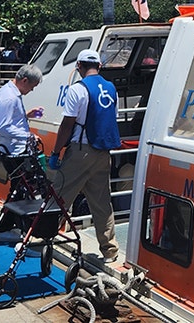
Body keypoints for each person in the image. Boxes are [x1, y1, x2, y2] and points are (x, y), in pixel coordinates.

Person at [48, 49, 121, 262]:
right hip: (103, 153)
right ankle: (110, 250)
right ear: (99, 66)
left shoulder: (77, 89)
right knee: (101, 202)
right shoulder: (111, 88)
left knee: (60, 196)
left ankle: (44, 238)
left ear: (79, 66)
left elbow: (67, 124)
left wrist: (55, 152)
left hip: (81, 151)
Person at [0, 64, 45, 195]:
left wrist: (26, 115)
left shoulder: (9, 92)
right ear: (25, 80)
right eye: (32, 87)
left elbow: (7, 120)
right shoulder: (10, 97)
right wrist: (28, 136)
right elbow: (3, 127)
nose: (31, 90)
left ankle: (13, 214)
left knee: (20, 188)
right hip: (13, 150)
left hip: (13, 148)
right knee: (19, 189)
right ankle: (11, 214)